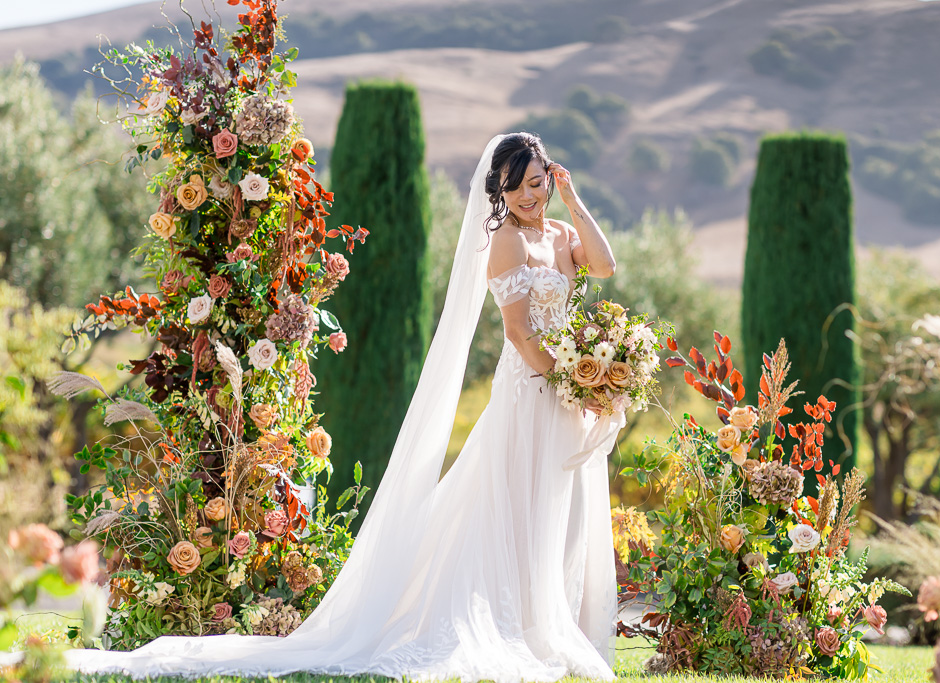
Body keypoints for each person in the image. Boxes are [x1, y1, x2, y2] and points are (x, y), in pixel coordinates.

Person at [32, 132, 627, 681]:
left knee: (558, 507)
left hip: (566, 391)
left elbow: (604, 266)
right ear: (500, 189)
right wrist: (577, 378)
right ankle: (519, 626)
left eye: (539, 182)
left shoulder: (558, 234)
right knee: (518, 505)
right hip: (532, 392)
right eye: (519, 186)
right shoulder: (504, 242)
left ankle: (550, 623)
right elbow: (523, 336)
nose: (531, 195)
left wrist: (574, 201)